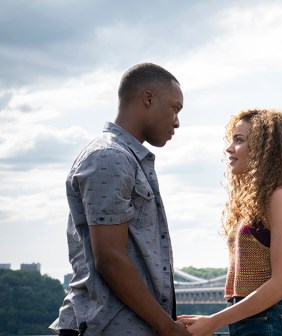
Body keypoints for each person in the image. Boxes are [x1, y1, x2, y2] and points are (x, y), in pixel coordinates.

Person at [49, 63, 189, 336]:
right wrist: (167, 328)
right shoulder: (110, 157)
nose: (177, 121)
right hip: (108, 326)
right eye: (175, 108)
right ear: (148, 98)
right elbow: (110, 258)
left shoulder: (125, 157)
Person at [179, 108, 282, 336]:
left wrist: (213, 322)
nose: (229, 148)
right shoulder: (255, 203)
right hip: (251, 322)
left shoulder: (281, 196)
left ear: (265, 149)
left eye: (239, 140)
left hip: (270, 322)